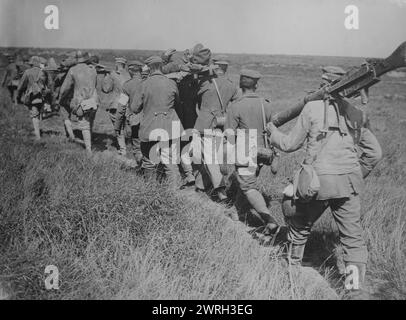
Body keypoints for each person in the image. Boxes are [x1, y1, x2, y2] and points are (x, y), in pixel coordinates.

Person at [266, 66, 382, 297]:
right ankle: (354, 289)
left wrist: (271, 131)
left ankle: (292, 270)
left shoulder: (312, 108)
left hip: (316, 183)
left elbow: (289, 145)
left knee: (297, 220)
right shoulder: (357, 113)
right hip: (348, 184)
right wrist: (356, 174)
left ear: (324, 83)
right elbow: (374, 154)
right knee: (352, 239)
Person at [225, 69, 279, 230]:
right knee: (247, 181)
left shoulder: (236, 106)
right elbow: (270, 129)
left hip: (245, 152)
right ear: (256, 84)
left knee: (248, 186)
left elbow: (229, 134)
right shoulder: (266, 104)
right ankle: (236, 211)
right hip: (262, 151)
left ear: (240, 84)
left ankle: (269, 220)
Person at [193, 46, 239, 200]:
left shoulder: (205, 82)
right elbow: (237, 103)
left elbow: (195, 100)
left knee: (204, 157)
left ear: (215, 65)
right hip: (220, 123)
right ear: (226, 67)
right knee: (211, 156)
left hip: (204, 124)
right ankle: (200, 186)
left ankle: (220, 190)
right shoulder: (232, 85)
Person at [131, 56, 183, 185]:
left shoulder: (144, 84)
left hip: (150, 127)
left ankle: (151, 191)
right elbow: (177, 103)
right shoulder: (171, 83)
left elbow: (134, 108)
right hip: (170, 127)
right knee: (170, 162)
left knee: (149, 162)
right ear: (161, 67)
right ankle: (174, 194)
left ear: (148, 68)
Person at [58, 51, 98, 152]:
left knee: (84, 125)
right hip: (93, 100)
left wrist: (61, 98)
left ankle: (88, 150)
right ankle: (90, 141)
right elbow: (95, 84)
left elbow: (65, 88)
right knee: (90, 122)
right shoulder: (93, 70)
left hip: (80, 101)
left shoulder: (73, 70)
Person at [115, 60, 144, 164]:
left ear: (130, 72)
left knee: (137, 148)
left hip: (135, 121)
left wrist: (117, 125)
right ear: (140, 70)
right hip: (150, 120)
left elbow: (121, 107)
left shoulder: (127, 86)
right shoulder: (148, 82)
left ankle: (142, 170)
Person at [16, 56, 52, 140]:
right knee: (38, 114)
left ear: (31, 63)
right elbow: (48, 85)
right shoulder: (44, 72)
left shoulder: (28, 72)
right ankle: (38, 131)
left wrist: (19, 96)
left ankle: (37, 135)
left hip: (32, 96)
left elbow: (21, 86)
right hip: (42, 96)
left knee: (34, 115)